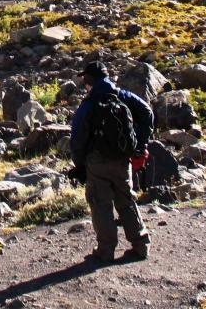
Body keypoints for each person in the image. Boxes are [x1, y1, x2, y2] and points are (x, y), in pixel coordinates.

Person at [70, 60, 154, 262]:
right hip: (123, 158)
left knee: (100, 204)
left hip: (97, 162)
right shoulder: (122, 96)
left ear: (89, 80)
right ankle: (141, 245)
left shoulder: (89, 104)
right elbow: (147, 113)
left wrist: (79, 165)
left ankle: (106, 250)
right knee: (126, 200)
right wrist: (139, 146)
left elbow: (78, 137)